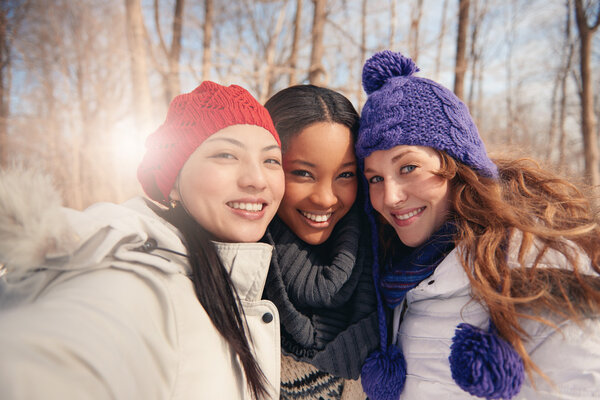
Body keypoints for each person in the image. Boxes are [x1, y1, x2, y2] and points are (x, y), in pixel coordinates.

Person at [0, 81, 285, 399]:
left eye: (271, 160)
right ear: (173, 184)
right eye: (226, 155)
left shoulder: (237, 279)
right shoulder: (141, 282)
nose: (257, 179)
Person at [354, 50, 600, 400]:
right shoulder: (399, 282)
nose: (389, 197)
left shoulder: (541, 272)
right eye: (375, 178)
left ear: (459, 168)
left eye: (408, 167)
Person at [261, 85, 379, 399]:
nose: (326, 198)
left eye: (345, 175)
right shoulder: (234, 264)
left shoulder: (387, 261)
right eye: (302, 173)